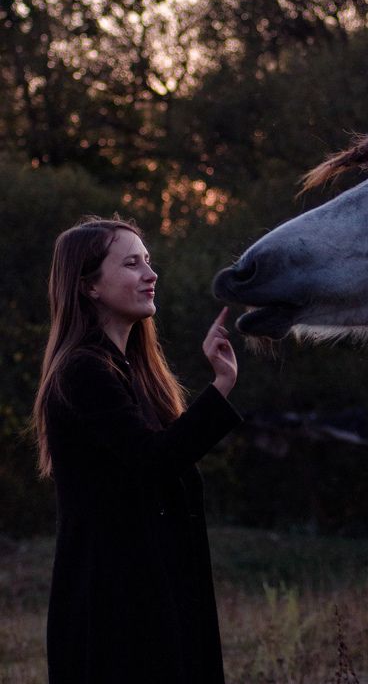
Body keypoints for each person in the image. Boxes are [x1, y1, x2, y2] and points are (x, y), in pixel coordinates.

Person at [32, 215, 242, 684]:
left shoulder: (135, 372)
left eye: (148, 261)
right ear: (89, 286)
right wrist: (221, 388)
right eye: (132, 264)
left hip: (152, 585)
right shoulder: (83, 372)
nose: (151, 274)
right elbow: (155, 461)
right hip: (116, 597)